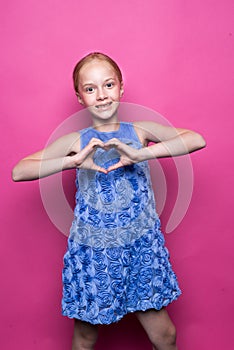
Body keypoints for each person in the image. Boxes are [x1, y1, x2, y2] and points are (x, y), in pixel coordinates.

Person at [12, 52, 206, 350]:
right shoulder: (76, 140)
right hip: (94, 253)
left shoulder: (140, 131)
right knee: (86, 336)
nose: (101, 96)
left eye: (108, 85)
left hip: (141, 249)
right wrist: (72, 161)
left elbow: (196, 139)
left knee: (165, 336)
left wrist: (142, 154)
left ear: (121, 87)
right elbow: (19, 171)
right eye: (90, 89)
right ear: (80, 97)